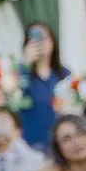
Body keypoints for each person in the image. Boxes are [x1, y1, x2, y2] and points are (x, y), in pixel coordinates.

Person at [15, 21, 66, 151]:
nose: (40, 42)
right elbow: (12, 96)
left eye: (44, 37)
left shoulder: (65, 75)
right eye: (34, 37)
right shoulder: (20, 74)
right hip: (30, 145)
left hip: (62, 144)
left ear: (53, 42)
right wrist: (25, 62)